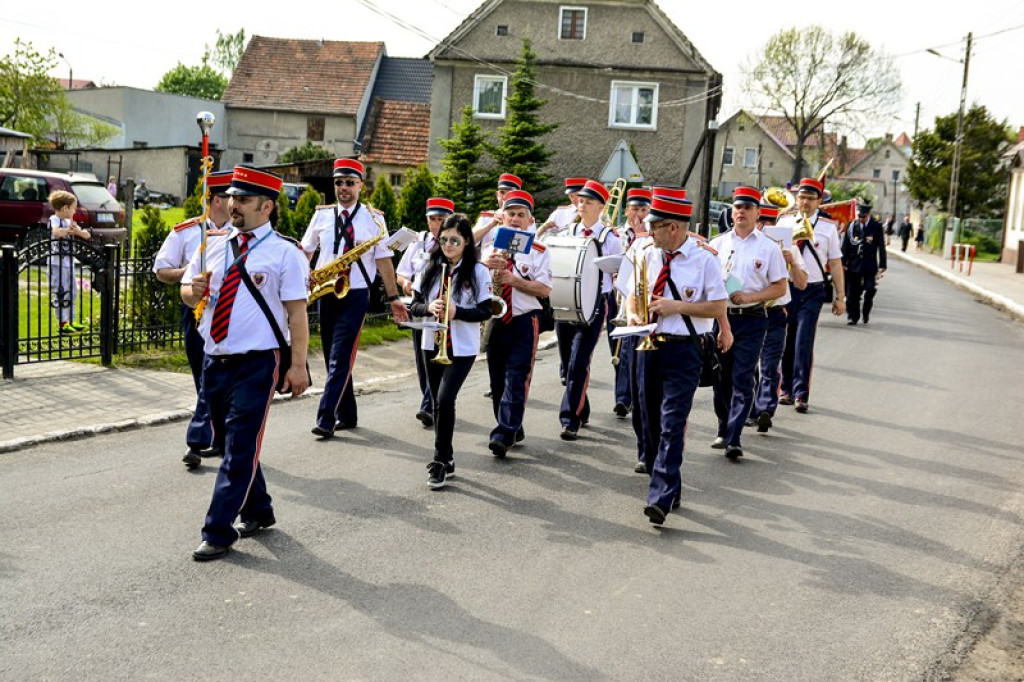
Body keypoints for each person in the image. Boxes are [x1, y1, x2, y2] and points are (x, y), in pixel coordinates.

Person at [180, 165, 310, 561]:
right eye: (232, 197)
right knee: (229, 444)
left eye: (243, 199)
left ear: (266, 206)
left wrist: (298, 365)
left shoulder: (285, 253)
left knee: (238, 448)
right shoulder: (214, 243)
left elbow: (297, 315)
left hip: (258, 363)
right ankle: (258, 508)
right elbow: (188, 291)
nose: (232, 204)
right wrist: (192, 290)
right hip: (214, 359)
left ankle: (217, 531)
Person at [626, 189, 727, 525]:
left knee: (672, 423)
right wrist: (634, 315)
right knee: (649, 421)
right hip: (649, 344)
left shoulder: (704, 259)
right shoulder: (646, 254)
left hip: (685, 348)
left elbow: (717, 306)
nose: (647, 230)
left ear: (673, 227)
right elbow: (631, 295)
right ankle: (671, 484)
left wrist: (677, 307)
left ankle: (660, 497)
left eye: (653, 226)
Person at [301, 158, 409, 438]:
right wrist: (303, 278)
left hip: (356, 294)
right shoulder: (322, 215)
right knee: (332, 358)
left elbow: (384, 261)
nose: (344, 188)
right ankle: (347, 413)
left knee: (339, 358)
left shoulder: (375, 218)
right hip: (327, 292)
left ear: (361, 185)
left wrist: (394, 298)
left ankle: (326, 418)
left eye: (350, 183)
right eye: (339, 183)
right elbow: (306, 251)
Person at [154, 169, 233, 469]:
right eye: (228, 197)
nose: (234, 203)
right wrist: (189, 273)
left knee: (214, 376)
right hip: (196, 309)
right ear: (214, 200)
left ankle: (202, 440)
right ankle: (218, 436)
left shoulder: (239, 234)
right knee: (203, 376)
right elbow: (162, 270)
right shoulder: (188, 231)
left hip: (228, 312)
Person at [408, 214, 493, 489]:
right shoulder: (430, 267)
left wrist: (457, 311)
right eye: (443, 240)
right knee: (435, 402)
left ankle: (439, 461)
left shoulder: (478, 271)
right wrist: (429, 308)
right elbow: (414, 305)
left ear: (467, 241)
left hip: (462, 346)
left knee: (445, 399)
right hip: (432, 341)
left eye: (454, 240)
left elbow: (485, 310)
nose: (448, 245)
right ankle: (448, 456)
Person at [708, 187, 788, 460]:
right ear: (731, 212)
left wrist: (751, 296)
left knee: (743, 377)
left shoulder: (768, 247)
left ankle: (734, 436)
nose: (741, 212)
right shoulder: (717, 244)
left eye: (747, 208)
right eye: (737, 207)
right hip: (721, 318)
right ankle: (723, 426)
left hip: (752, 319)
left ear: (757, 213)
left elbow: (780, 287)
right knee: (721, 377)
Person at [550, 180, 623, 440]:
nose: (582, 205)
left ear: (601, 207)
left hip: (594, 303)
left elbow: (621, 271)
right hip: (566, 300)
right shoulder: (567, 230)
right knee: (567, 360)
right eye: (580, 201)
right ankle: (583, 407)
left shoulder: (610, 237)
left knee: (579, 360)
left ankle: (569, 419)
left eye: (588, 201)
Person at [481, 190, 552, 457]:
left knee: (516, 376)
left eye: (521, 215)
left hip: (524, 320)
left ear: (529, 219)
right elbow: (475, 285)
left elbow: (544, 289)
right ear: (503, 218)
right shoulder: (490, 249)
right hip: (496, 320)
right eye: (510, 214)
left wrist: (515, 281)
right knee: (497, 380)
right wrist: (485, 267)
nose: (515, 219)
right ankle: (513, 425)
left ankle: (504, 432)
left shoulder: (539, 251)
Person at [778, 177, 845, 414]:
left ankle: (800, 393)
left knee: (803, 340)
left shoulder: (828, 228)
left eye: (810, 198)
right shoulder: (784, 223)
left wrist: (840, 296)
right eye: (802, 197)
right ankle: (784, 389)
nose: (805, 202)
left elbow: (835, 264)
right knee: (786, 339)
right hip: (787, 288)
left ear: (819, 201)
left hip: (813, 290)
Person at [745, 202, 807, 433]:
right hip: (750, 312)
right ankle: (749, 410)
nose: (764, 228)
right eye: (762, 223)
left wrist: (791, 261)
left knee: (770, 365)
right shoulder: (746, 246)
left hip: (775, 313)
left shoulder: (790, 247)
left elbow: (801, 283)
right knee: (749, 366)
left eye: (770, 225)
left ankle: (764, 410)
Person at [396, 197, 454, 428]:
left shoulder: (454, 243)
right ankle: (431, 401)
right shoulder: (419, 241)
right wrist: (405, 284)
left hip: (444, 310)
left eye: (442, 219)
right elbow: (401, 272)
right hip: (419, 306)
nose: (437, 224)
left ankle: (428, 405)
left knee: (436, 356)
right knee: (422, 360)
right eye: (433, 219)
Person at [609, 187, 652, 420]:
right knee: (619, 352)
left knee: (632, 351)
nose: (639, 214)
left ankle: (627, 399)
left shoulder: (653, 236)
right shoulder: (615, 234)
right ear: (626, 210)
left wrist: (641, 234)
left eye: (643, 209)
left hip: (640, 299)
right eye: (634, 208)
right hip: (617, 298)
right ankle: (623, 397)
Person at [47, 190, 91, 334]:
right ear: (65, 208)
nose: (75, 211)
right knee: (61, 292)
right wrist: (68, 230)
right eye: (73, 208)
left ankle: (72, 320)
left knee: (72, 291)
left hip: (68, 263)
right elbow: (57, 233)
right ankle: (62, 323)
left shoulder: (69, 222)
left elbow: (87, 235)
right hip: (56, 264)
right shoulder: (55, 219)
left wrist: (77, 231)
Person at [842, 203, 887, 326]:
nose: (861, 219)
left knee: (870, 290)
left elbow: (881, 246)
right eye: (859, 216)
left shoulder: (876, 227)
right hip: (853, 264)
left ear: (868, 215)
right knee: (853, 294)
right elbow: (846, 245)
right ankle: (853, 317)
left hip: (869, 265)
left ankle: (866, 312)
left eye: (863, 216)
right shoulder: (852, 226)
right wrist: (843, 262)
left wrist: (883, 264)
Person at [472, 173, 522, 248]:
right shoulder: (487, 217)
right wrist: (491, 225)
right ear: (497, 194)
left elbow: (531, 249)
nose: (504, 197)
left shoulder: (526, 219)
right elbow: (469, 242)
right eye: (502, 192)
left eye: (509, 193)